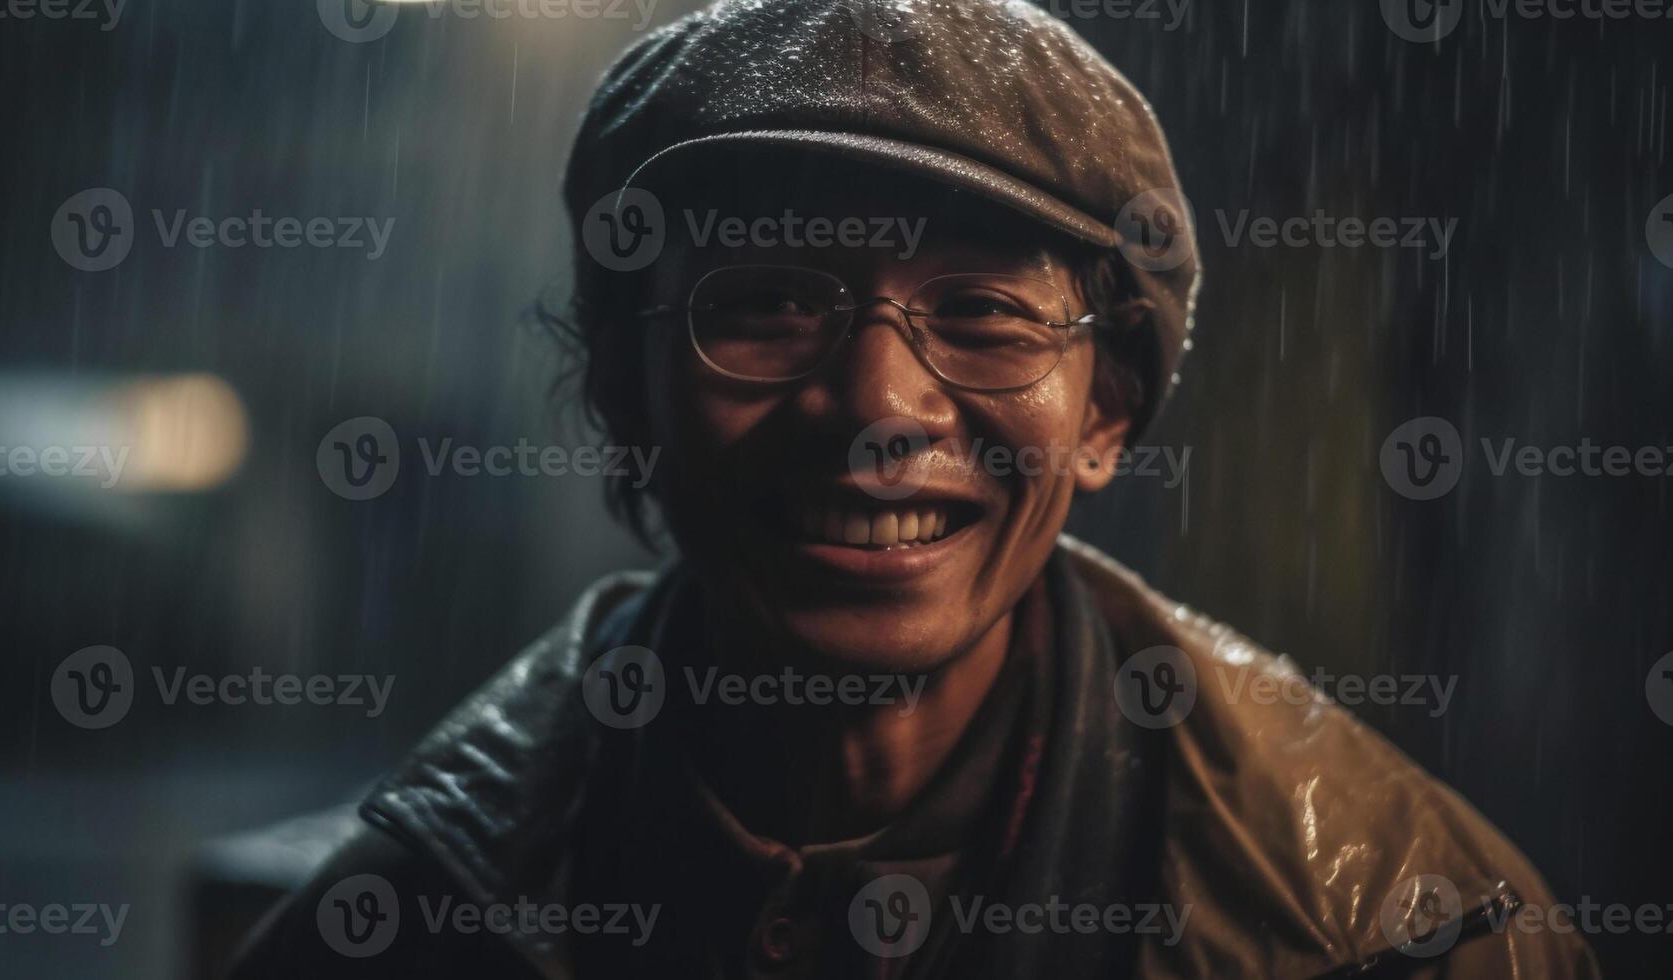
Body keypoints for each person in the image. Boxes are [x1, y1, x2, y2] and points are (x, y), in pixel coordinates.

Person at [230, 1, 1600, 976]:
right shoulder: (412, 919)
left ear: (1106, 412)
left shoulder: (1390, 927)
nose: (879, 409)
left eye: (988, 315)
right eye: (765, 304)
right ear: (625, 397)